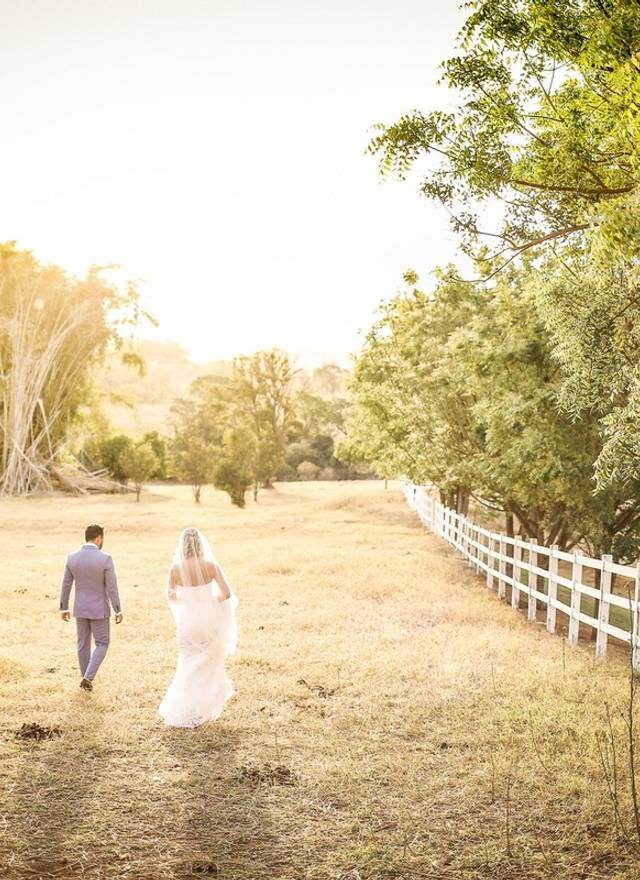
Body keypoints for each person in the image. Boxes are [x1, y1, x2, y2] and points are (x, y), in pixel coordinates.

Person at [159, 526, 238, 728]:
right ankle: (205, 707)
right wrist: (209, 602)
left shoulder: (176, 569)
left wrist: (188, 600)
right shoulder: (210, 565)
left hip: (188, 622)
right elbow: (226, 593)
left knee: (187, 663)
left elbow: (171, 596)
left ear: (183, 545)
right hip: (208, 620)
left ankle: (186, 709)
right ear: (201, 544)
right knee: (209, 663)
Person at [59, 523, 123, 691]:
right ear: (99, 538)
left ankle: (85, 678)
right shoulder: (105, 559)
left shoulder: (72, 557)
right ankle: (88, 677)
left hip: (80, 608)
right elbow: (112, 587)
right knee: (102, 643)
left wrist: (64, 607)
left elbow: (66, 584)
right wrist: (118, 609)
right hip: (99, 610)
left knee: (82, 644)